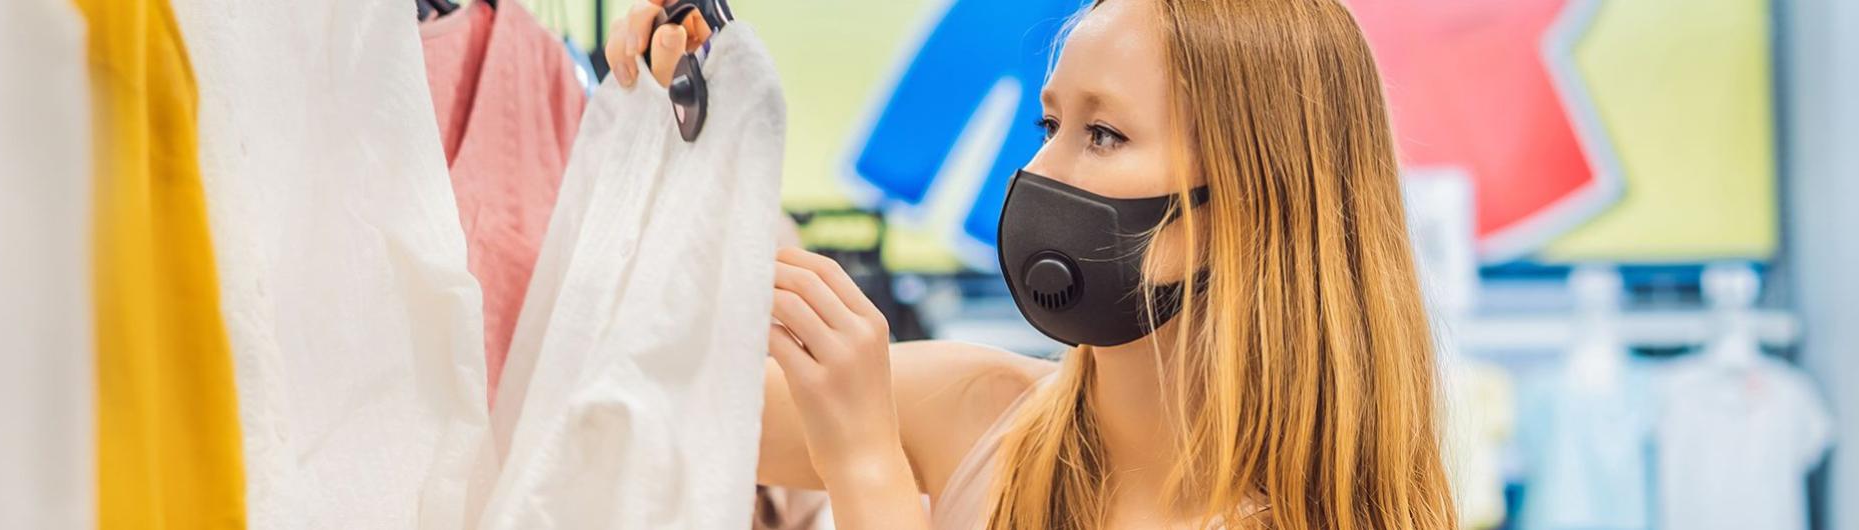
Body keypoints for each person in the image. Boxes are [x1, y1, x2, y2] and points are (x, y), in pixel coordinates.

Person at [612, 0, 1455, 527]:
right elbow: (665, 408)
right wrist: (700, 109)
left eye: (1103, 134)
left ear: (1248, 206)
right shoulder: (976, 411)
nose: (1038, 177)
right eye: (1047, 127)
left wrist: (865, 465)